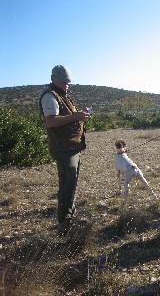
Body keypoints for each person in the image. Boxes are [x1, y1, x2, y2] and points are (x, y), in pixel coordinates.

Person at [39, 65, 90, 235]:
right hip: (63, 149)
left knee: (71, 183)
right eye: (65, 81)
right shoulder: (50, 97)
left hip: (71, 147)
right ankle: (65, 224)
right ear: (54, 79)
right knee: (67, 185)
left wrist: (79, 114)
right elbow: (51, 121)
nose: (68, 83)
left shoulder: (62, 95)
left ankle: (69, 217)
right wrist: (76, 116)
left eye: (69, 81)